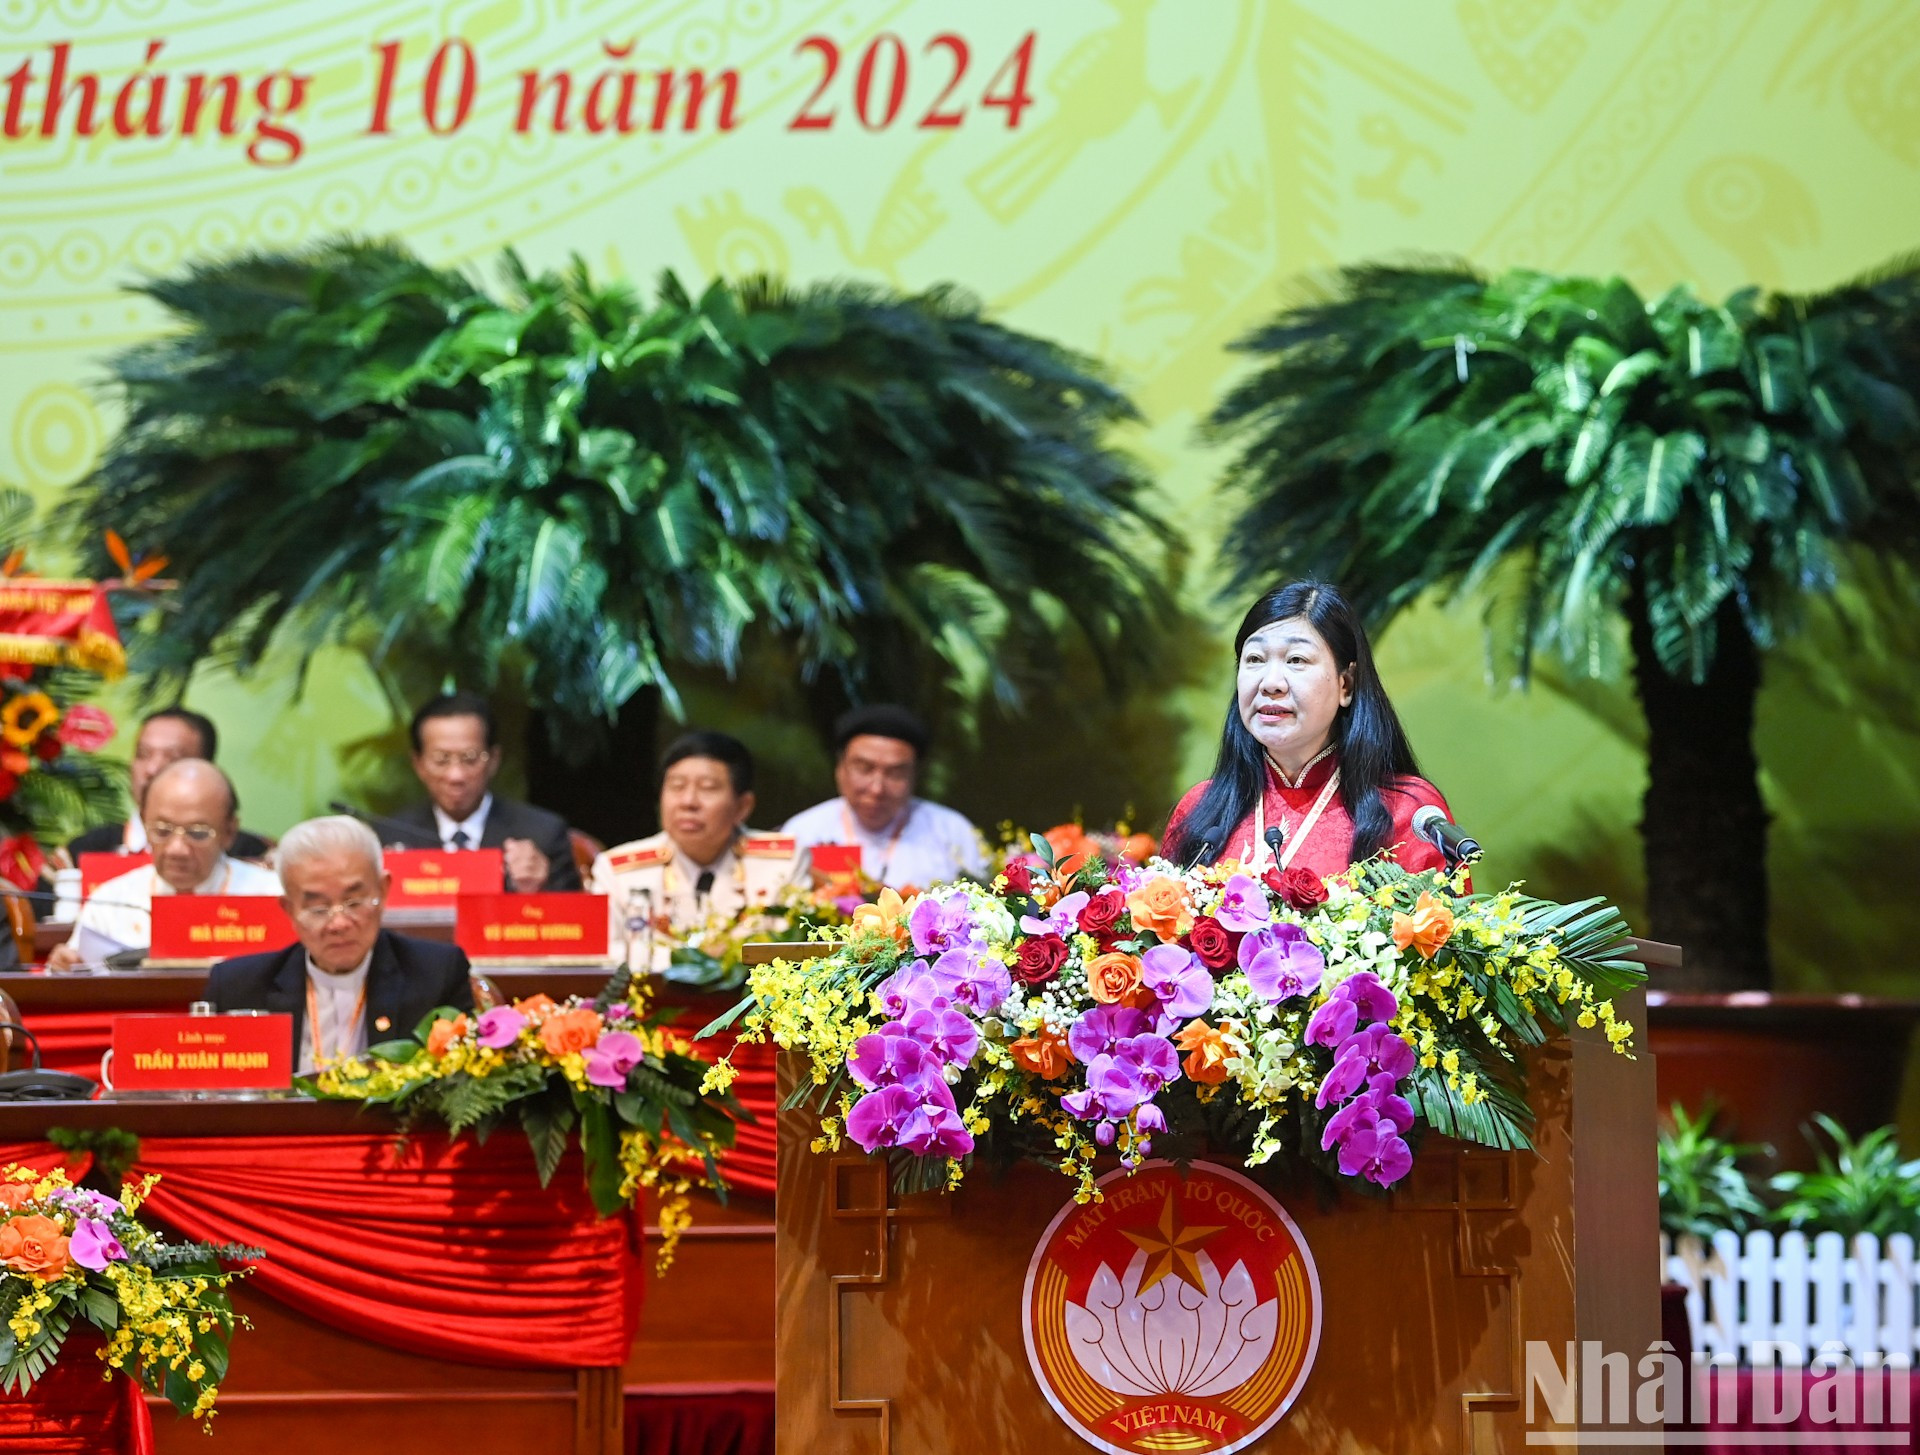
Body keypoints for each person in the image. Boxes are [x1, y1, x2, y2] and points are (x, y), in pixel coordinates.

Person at [1164, 580, 1456, 879]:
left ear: (1346, 685)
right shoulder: (1200, 809)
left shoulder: (1408, 813)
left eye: (1296, 660)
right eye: (1255, 659)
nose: (1270, 683)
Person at [206, 816, 473, 1073]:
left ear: (383, 890)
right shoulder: (236, 987)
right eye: (318, 908)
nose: (338, 924)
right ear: (289, 909)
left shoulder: (437, 975)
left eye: (354, 903)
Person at [591, 731, 809, 969]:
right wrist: (699, 960)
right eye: (677, 786)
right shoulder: (618, 871)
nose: (688, 802)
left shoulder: (782, 863)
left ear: (743, 807)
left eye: (707, 788)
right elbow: (606, 959)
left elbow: (794, 952)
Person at [49, 759, 281, 969]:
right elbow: (75, 975)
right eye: (162, 831)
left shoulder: (272, 896)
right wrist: (64, 967)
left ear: (229, 832)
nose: (176, 849)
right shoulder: (112, 901)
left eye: (197, 833)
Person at [383, 691, 582, 892]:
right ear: (418, 764)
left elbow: (577, 920)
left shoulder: (543, 835)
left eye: (469, 759)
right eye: (441, 759)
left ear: (494, 760)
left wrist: (539, 890)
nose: (456, 776)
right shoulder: (388, 837)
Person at [782, 705, 985, 890]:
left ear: (915, 775)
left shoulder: (952, 832)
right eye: (864, 768)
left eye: (895, 773)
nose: (877, 788)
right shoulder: (803, 832)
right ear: (840, 769)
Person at [67, 708, 271, 862]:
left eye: (172, 757)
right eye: (143, 755)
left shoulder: (250, 855)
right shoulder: (85, 852)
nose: (152, 769)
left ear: (206, 769)